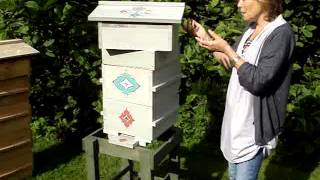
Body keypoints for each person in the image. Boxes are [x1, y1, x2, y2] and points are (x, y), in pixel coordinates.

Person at [188, 0, 295, 179]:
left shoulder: (281, 33)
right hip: (236, 122)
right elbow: (233, 63)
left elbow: (259, 81)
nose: (239, 4)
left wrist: (229, 50)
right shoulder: (251, 29)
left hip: (253, 129)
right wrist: (205, 38)